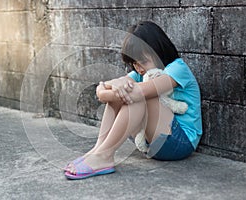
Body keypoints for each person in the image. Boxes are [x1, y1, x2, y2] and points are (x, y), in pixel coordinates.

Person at [64, 21, 202, 180]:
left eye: (143, 61)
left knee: (136, 96)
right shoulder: (140, 73)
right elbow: (106, 92)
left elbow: (138, 93)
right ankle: (98, 150)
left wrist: (111, 88)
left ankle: (104, 156)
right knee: (125, 93)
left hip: (181, 143)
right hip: (151, 143)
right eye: (134, 63)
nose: (139, 68)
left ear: (158, 50)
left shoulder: (177, 69)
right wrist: (112, 86)